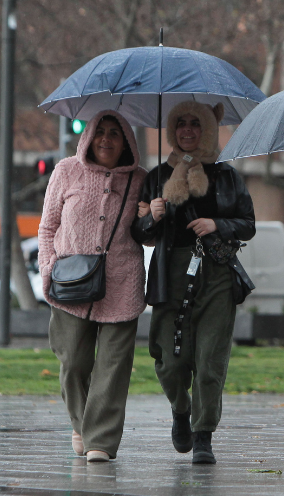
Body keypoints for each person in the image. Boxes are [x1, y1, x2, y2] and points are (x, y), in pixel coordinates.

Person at [130, 101, 255, 466]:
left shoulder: (227, 175)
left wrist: (218, 224)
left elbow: (247, 221)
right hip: (171, 272)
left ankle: (203, 434)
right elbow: (138, 232)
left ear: (208, 129)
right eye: (180, 124)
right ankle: (181, 409)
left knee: (210, 358)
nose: (187, 130)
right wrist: (150, 218)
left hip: (215, 271)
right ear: (172, 130)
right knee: (169, 360)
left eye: (195, 124)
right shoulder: (155, 177)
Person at [38, 110, 147, 463]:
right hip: (69, 282)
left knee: (113, 366)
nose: (106, 139)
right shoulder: (65, 171)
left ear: (127, 141)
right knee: (73, 362)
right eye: (100, 131)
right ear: (87, 137)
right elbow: (47, 227)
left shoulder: (141, 180)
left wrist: (152, 215)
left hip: (122, 281)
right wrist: (47, 270)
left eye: (115, 133)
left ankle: (100, 439)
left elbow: (151, 235)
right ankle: (82, 422)